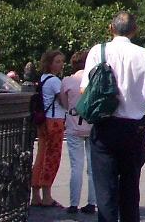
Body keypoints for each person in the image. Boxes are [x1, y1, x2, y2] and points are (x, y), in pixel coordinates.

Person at [83, 10, 145, 222]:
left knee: (105, 190)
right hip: (133, 128)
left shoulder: (97, 51)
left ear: (110, 28)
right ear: (134, 30)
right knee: (130, 188)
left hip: (105, 125)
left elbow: (84, 90)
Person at [61, 50, 97, 214]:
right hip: (92, 126)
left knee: (76, 166)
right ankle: (92, 202)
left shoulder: (67, 81)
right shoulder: (93, 81)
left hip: (74, 126)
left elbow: (64, 104)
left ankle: (73, 203)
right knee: (92, 167)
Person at [31, 49, 67, 208]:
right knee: (52, 158)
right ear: (50, 64)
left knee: (41, 156)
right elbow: (64, 102)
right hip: (55, 120)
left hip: (43, 121)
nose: (61, 65)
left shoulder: (42, 79)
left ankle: (36, 195)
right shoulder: (55, 81)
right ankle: (47, 196)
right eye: (57, 61)